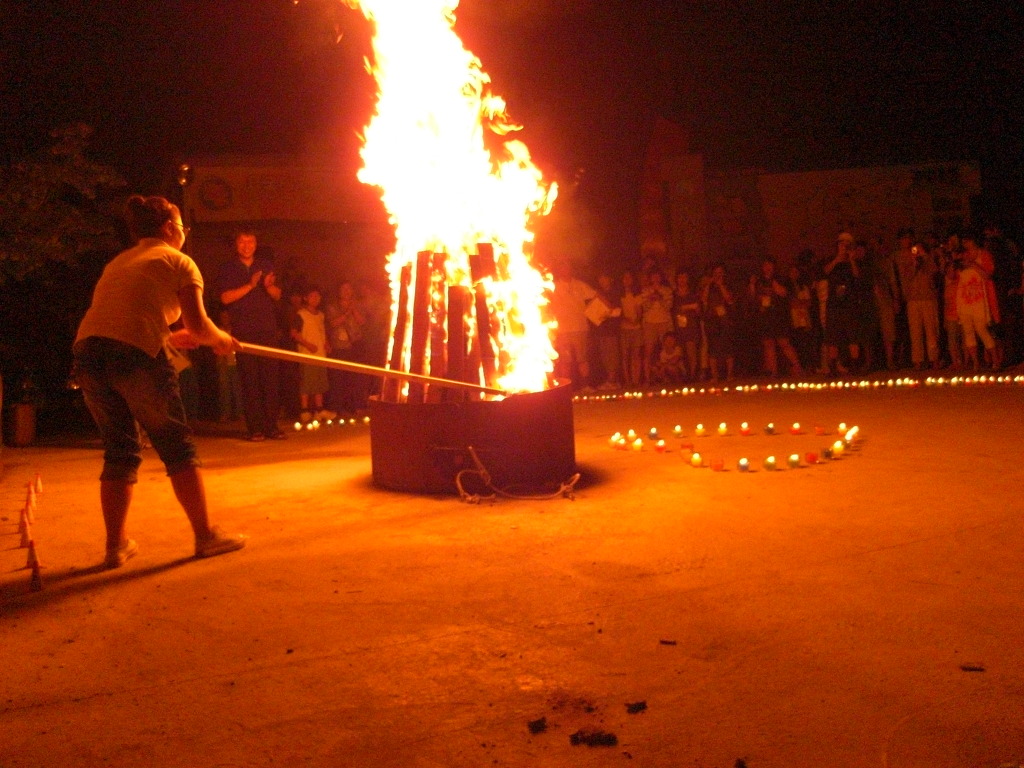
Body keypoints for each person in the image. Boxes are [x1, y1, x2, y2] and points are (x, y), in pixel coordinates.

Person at [72, 195, 246, 568]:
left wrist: (168, 336)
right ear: (169, 228)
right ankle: (205, 536)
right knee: (176, 444)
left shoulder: (120, 262)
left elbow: (123, 317)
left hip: (87, 353)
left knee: (120, 449)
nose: (184, 233)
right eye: (182, 226)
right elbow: (199, 325)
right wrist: (219, 339)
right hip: (132, 354)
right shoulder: (178, 260)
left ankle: (115, 546)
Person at [218, 229, 287, 441]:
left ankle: (271, 426)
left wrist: (268, 287)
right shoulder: (228, 268)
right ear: (236, 244)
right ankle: (255, 428)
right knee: (250, 381)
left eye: (250, 242)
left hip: (267, 330)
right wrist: (250, 285)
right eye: (242, 242)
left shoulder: (265, 264)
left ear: (256, 244)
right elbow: (225, 298)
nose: (247, 246)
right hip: (244, 331)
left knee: (270, 380)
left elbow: (278, 295)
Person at [748, 257, 802, 378]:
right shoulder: (759, 281)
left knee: (784, 342)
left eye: (770, 265)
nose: (767, 267)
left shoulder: (780, 279)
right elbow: (752, 297)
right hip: (765, 316)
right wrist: (752, 285)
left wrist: (774, 284)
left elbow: (784, 293)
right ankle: (772, 372)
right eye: (765, 265)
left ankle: (797, 367)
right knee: (768, 343)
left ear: (774, 266)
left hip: (779, 315)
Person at [895, 229, 941, 370]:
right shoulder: (905, 259)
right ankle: (917, 360)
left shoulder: (928, 257)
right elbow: (905, 277)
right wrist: (913, 263)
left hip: (928, 298)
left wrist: (925, 257)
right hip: (913, 299)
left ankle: (934, 359)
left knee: (931, 331)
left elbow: (934, 271)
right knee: (915, 332)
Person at [290, 286, 336, 421]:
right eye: (312, 296)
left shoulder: (321, 315)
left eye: (318, 296)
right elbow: (294, 333)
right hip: (307, 355)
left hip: (321, 355)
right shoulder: (301, 314)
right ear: (306, 298)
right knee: (306, 382)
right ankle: (304, 410)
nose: (316, 299)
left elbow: (321, 332)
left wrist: (326, 344)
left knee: (320, 383)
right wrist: (307, 344)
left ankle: (319, 409)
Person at [550, 263, 597, 392]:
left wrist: (600, 312)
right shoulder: (553, 286)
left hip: (580, 327)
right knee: (565, 361)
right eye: (562, 267)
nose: (565, 269)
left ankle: (585, 386)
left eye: (567, 267)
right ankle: (565, 388)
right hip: (563, 330)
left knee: (582, 359)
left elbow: (595, 295)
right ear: (559, 270)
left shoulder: (579, 285)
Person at [325, 279, 367, 416]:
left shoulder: (358, 305)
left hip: (354, 346)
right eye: (344, 289)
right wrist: (346, 313)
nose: (347, 292)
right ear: (339, 291)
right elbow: (332, 323)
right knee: (337, 379)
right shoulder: (333, 306)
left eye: (349, 289)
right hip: (339, 346)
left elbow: (362, 322)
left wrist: (353, 310)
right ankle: (337, 408)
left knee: (353, 378)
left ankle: (353, 407)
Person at [701, 263, 736, 381]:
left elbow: (729, 298)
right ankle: (714, 375)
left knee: (727, 347)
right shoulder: (709, 286)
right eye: (715, 273)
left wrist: (721, 285)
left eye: (720, 272)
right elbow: (704, 299)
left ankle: (729, 374)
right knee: (712, 348)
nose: (718, 275)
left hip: (725, 319)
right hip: (711, 320)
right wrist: (709, 284)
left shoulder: (728, 285)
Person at [671, 271, 701, 380]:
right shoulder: (673, 294)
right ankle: (683, 375)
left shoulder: (693, 293)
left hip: (691, 325)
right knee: (681, 352)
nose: (682, 280)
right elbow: (673, 309)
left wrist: (690, 308)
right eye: (680, 277)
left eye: (684, 277)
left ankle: (693, 375)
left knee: (691, 351)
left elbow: (698, 310)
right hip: (678, 326)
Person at [619, 271, 644, 388]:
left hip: (636, 328)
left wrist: (636, 321)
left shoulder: (637, 295)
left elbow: (640, 312)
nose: (627, 280)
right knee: (625, 355)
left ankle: (636, 380)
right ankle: (627, 380)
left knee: (636, 355)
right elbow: (619, 312)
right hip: (624, 328)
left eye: (629, 277)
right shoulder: (620, 296)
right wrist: (626, 319)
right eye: (625, 277)